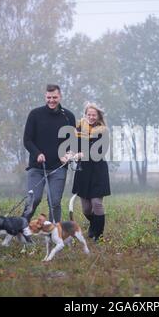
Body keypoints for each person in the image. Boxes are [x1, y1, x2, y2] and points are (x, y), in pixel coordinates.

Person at [22, 84, 76, 223]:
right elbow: (27, 140)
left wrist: (69, 154)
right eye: (48, 97)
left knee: (55, 202)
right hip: (37, 167)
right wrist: (37, 153)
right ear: (45, 97)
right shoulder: (35, 114)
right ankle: (22, 227)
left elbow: (73, 142)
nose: (51, 100)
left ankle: (55, 233)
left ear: (60, 97)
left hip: (58, 167)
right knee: (34, 199)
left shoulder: (68, 116)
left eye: (54, 97)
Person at [72, 102, 111, 242]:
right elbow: (73, 146)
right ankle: (94, 225)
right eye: (89, 114)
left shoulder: (103, 130)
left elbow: (101, 151)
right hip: (83, 172)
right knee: (86, 209)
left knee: (97, 203)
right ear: (85, 115)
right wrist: (73, 153)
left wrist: (84, 153)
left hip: (98, 171)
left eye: (94, 114)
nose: (91, 117)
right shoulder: (79, 129)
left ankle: (98, 235)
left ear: (98, 115)